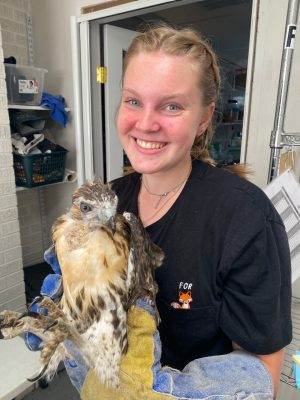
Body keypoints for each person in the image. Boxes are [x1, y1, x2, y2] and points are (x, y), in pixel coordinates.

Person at [109, 25, 292, 397]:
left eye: (171, 105)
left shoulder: (244, 217)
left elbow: (261, 377)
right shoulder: (108, 202)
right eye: (133, 101)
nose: (145, 123)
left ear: (205, 118)